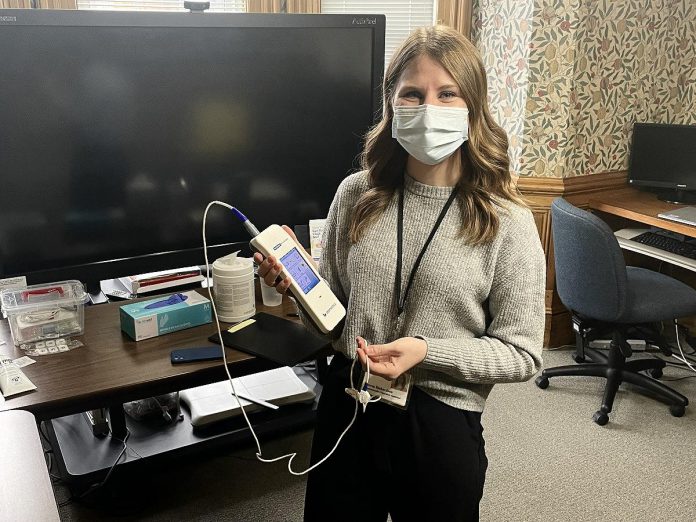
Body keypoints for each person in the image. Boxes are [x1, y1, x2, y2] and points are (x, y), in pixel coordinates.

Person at [254, 25, 545, 522]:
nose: (429, 106)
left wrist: (427, 351)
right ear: (392, 104)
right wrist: (298, 291)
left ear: (473, 106)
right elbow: (334, 322)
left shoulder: (504, 219)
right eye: (413, 93)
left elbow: (522, 354)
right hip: (349, 403)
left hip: (440, 422)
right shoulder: (356, 195)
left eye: (447, 93)